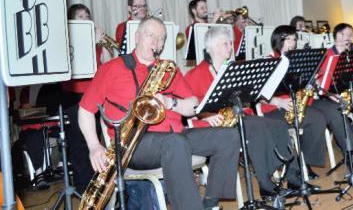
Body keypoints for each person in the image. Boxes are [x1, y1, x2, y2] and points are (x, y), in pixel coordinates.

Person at [79, 17, 240, 210]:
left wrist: (170, 102)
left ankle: (210, 203)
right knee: (175, 143)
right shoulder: (111, 68)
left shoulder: (168, 69)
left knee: (228, 136)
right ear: (137, 37)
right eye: (150, 35)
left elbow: (194, 105)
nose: (156, 42)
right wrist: (94, 146)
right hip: (132, 143)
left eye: (161, 38)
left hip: (174, 135)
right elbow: (85, 109)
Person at [183, 26, 308, 199]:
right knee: (256, 129)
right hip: (215, 125)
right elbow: (190, 107)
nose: (230, 47)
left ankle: (293, 177)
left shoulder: (235, 69)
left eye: (230, 43)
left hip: (238, 117)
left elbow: (249, 98)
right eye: (225, 43)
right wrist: (207, 115)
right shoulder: (194, 74)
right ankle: (266, 185)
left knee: (278, 125)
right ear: (210, 48)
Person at [261, 25, 328, 178]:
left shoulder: (297, 61)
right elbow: (260, 96)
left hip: (293, 105)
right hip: (273, 109)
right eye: (288, 39)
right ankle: (294, 169)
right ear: (278, 40)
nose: (292, 43)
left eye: (294, 39)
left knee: (318, 118)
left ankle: (306, 163)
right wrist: (279, 102)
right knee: (282, 127)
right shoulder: (268, 61)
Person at [61, 4, 113, 193]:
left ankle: (99, 182)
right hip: (74, 95)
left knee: (99, 138)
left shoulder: (95, 42)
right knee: (80, 142)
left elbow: (107, 65)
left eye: (87, 16)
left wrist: (102, 44)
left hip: (95, 94)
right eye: (80, 16)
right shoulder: (69, 41)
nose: (85, 19)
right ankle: (83, 187)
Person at [315, 23, 353, 155]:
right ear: (338, 35)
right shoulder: (326, 55)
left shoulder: (351, 54)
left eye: (351, 35)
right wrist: (331, 96)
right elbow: (318, 83)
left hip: (346, 93)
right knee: (338, 112)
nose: (351, 38)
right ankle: (352, 151)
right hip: (328, 96)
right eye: (348, 35)